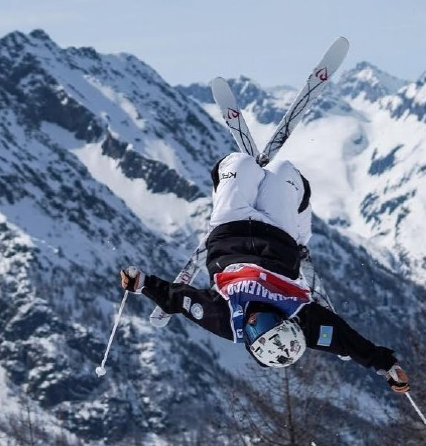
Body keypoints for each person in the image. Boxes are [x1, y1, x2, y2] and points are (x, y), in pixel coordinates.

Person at [119, 152, 410, 393]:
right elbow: (346, 341)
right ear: (285, 322)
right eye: (269, 321)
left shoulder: (225, 320)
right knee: (286, 172)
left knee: (237, 163)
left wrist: (141, 284)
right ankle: (297, 227)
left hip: (229, 228)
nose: (256, 320)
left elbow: (179, 299)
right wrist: (386, 366)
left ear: (248, 340)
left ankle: (233, 179)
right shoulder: (302, 320)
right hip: (278, 234)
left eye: (255, 330)